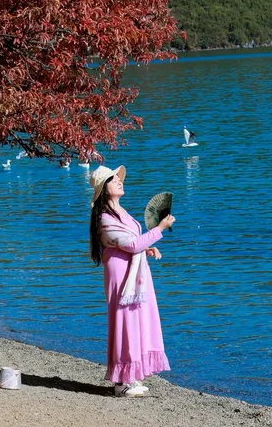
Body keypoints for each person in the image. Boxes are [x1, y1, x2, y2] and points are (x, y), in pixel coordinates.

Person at [89, 164, 175, 398]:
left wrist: (146, 249)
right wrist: (160, 228)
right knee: (124, 321)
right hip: (121, 273)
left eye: (119, 178)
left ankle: (131, 375)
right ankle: (121, 381)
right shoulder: (105, 218)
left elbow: (132, 243)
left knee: (136, 320)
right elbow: (131, 244)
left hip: (134, 270)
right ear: (104, 189)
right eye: (113, 179)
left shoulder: (121, 212)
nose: (119, 181)